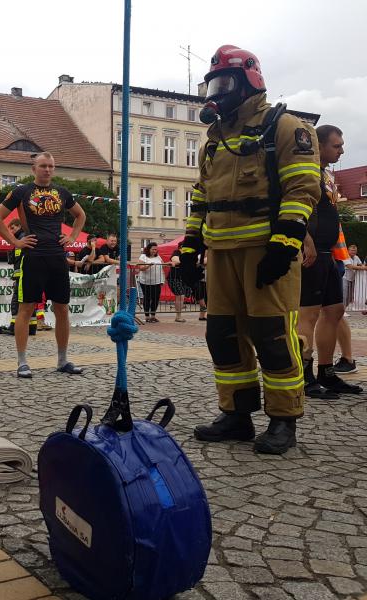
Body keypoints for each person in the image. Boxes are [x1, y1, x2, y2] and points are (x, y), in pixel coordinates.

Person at [181, 45, 320, 454]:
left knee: (272, 335)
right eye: (213, 84)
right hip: (220, 250)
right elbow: (202, 197)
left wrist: (284, 244)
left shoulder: (285, 127)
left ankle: (283, 419)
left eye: (225, 83)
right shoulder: (214, 140)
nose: (217, 92)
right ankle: (236, 414)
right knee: (222, 335)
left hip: (265, 248)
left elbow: (302, 189)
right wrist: (190, 247)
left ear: (249, 81)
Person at [0, 152, 86, 377]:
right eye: (43, 166)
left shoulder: (62, 192)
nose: (48, 170)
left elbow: (80, 215)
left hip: (57, 257)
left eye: (51, 166)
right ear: (33, 169)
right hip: (32, 256)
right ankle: (22, 362)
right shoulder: (22, 191)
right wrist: (15, 241)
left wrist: (72, 237)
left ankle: (62, 360)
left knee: (62, 308)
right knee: (26, 308)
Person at [296, 125, 361, 398]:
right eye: (336, 146)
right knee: (307, 316)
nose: (342, 150)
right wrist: (305, 240)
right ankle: (304, 376)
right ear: (319, 145)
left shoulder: (326, 175)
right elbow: (293, 206)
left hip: (328, 253)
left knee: (334, 311)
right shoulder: (303, 170)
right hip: (310, 253)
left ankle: (327, 372)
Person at [334, 244, 365, 374]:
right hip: (343, 277)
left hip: (348, 278)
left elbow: (356, 265)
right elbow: (351, 266)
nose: (354, 251)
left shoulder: (355, 257)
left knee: (337, 310)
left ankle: (345, 359)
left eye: (355, 249)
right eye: (352, 249)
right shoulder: (344, 255)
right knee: (338, 307)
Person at [137, 242, 165, 322]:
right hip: (146, 281)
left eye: (156, 249)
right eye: (153, 249)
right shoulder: (143, 256)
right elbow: (141, 268)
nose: (154, 251)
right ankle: (147, 316)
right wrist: (149, 265)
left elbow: (163, 265)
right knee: (147, 298)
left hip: (157, 281)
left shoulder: (158, 257)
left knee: (156, 298)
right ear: (149, 249)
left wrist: (168, 264)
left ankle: (153, 315)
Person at [168, 243, 190, 323]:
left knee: (181, 296)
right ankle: (178, 316)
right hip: (174, 278)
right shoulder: (177, 252)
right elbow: (175, 260)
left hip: (183, 278)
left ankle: (178, 316)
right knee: (180, 296)